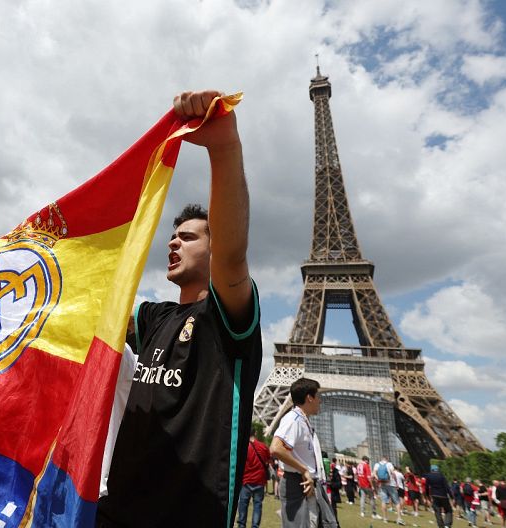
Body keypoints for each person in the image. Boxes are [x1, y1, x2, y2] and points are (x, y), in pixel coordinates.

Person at [96, 91, 262, 528]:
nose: (173, 243)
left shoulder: (226, 321)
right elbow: (95, 312)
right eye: (173, 236)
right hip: (114, 512)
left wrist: (224, 148)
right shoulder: (154, 318)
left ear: (213, 248)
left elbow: (232, 254)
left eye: (188, 237)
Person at [270, 378, 337, 528]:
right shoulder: (293, 419)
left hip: (305, 484)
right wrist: (304, 470)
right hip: (297, 483)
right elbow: (275, 448)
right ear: (309, 398)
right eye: (318, 396)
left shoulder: (303, 421)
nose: (320, 401)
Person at [237, 432, 271, 528]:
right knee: (257, 505)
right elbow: (268, 460)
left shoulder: (243, 447)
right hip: (259, 480)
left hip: (246, 480)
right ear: (255, 433)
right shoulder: (263, 446)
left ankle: (241, 525)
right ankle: (255, 526)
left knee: (243, 504)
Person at [374, 455, 405, 525]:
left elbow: (374, 473)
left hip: (382, 485)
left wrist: (379, 480)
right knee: (397, 502)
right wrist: (397, 483)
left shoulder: (377, 464)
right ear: (387, 459)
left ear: (381, 459)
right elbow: (393, 473)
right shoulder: (389, 464)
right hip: (391, 485)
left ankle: (385, 518)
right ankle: (399, 518)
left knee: (384, 502)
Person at [425, 464, 454, 528]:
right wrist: (451, 497)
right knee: (448, 510)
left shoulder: (428, 476)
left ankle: (440, 525)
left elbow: (426, 487)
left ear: (431, 470)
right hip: (443, 495)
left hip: (434, 495)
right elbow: (447, 487)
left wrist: (427, 496)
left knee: (437, 511)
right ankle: (447, 524)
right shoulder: (442, 476)